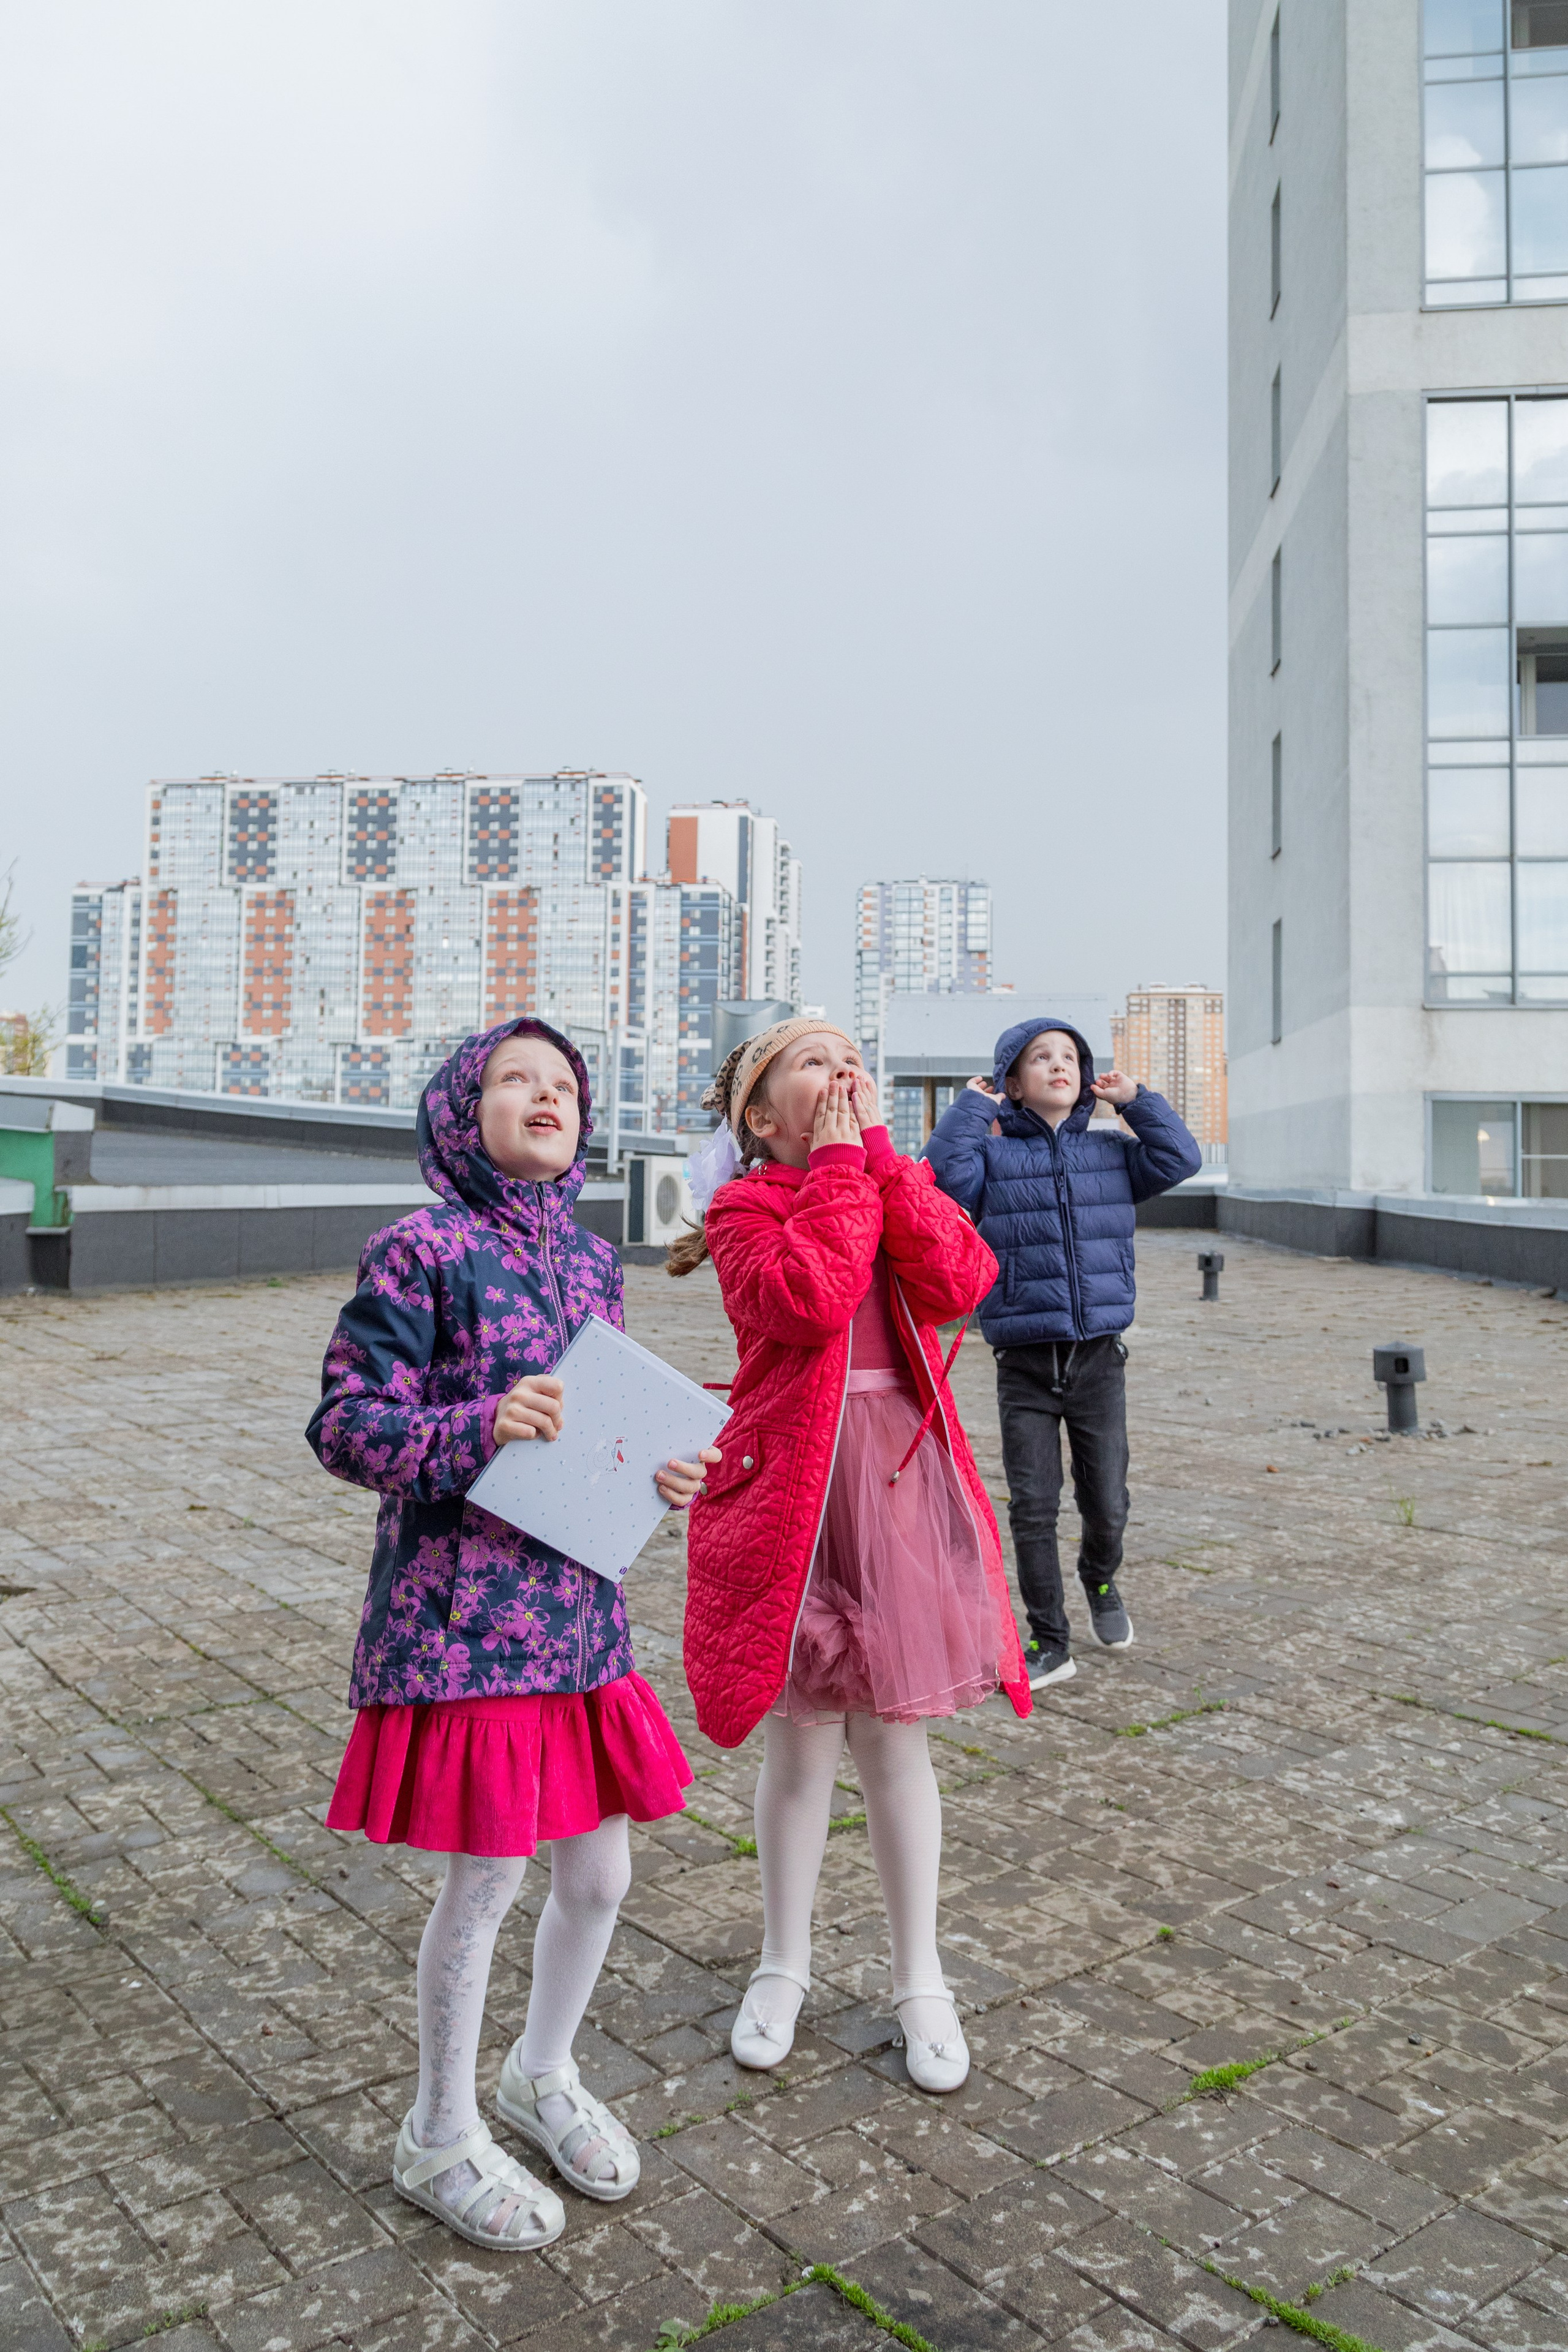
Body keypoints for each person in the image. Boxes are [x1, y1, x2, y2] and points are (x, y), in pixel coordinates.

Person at [307, 1018, 718, 2252]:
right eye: (514, 1079)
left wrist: (657, 1472)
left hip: (579, 1616)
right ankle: (435, 2132)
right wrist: (479, 1423)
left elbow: (592, 1429)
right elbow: (345, 1427)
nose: (546, 1095)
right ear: (457, 1109)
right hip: (463, 1621)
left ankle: (538, 2074)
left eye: (565, 1083)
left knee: (601, 1874)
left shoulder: (596, 1266)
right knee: (483, 1884)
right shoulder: (416, 1249)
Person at [668, 1019, 1031, 2095]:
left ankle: (921, 1978)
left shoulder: (878, 1174)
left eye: (848, 1058)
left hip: (894, 1481)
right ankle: (784, 1963)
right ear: (759, 1115)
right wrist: (837, 1170)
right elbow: (808, 1300)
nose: (842, 1075)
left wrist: (875, 1162)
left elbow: (963, 1278)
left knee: (894, 1744)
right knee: (800, 1744)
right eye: (811, 1064)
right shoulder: (744, 1208)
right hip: (792, 1488)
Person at [924, 1018, 1200, 1690]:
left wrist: (1135, 1101)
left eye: (1070, 1057)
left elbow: (1179, 1160)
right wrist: (971, 1106)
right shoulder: (991, 1158)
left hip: (1098, 1360)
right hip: (1023, 1362)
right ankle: (1050, 1639)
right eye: (1040, 1058)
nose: (1060, 1066)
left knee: (1106, 1499)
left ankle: (1101, 1580)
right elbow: (939, 1180)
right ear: (1011, 1083)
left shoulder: (1110, 1153)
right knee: (1033, 1506)